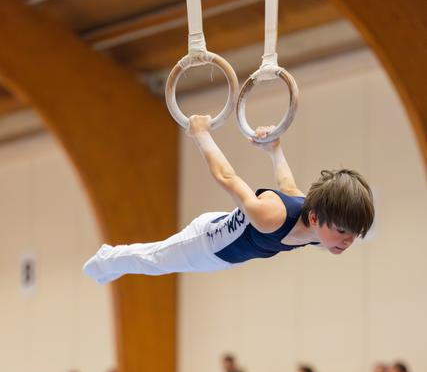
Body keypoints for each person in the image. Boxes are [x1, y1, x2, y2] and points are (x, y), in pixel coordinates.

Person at [84, 118, 374, 284]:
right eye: (342, 231)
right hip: (205, 243)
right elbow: (227, 177)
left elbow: (289, 185)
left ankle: (108, 268)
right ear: (315, 218)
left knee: (156, 262)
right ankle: (105, 259)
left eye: (354, 234)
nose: (347, 241)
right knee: (155, 260)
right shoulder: (271, 215)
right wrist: (201, 134)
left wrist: (275, 150)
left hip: (225, 256)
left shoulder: (317, 226)